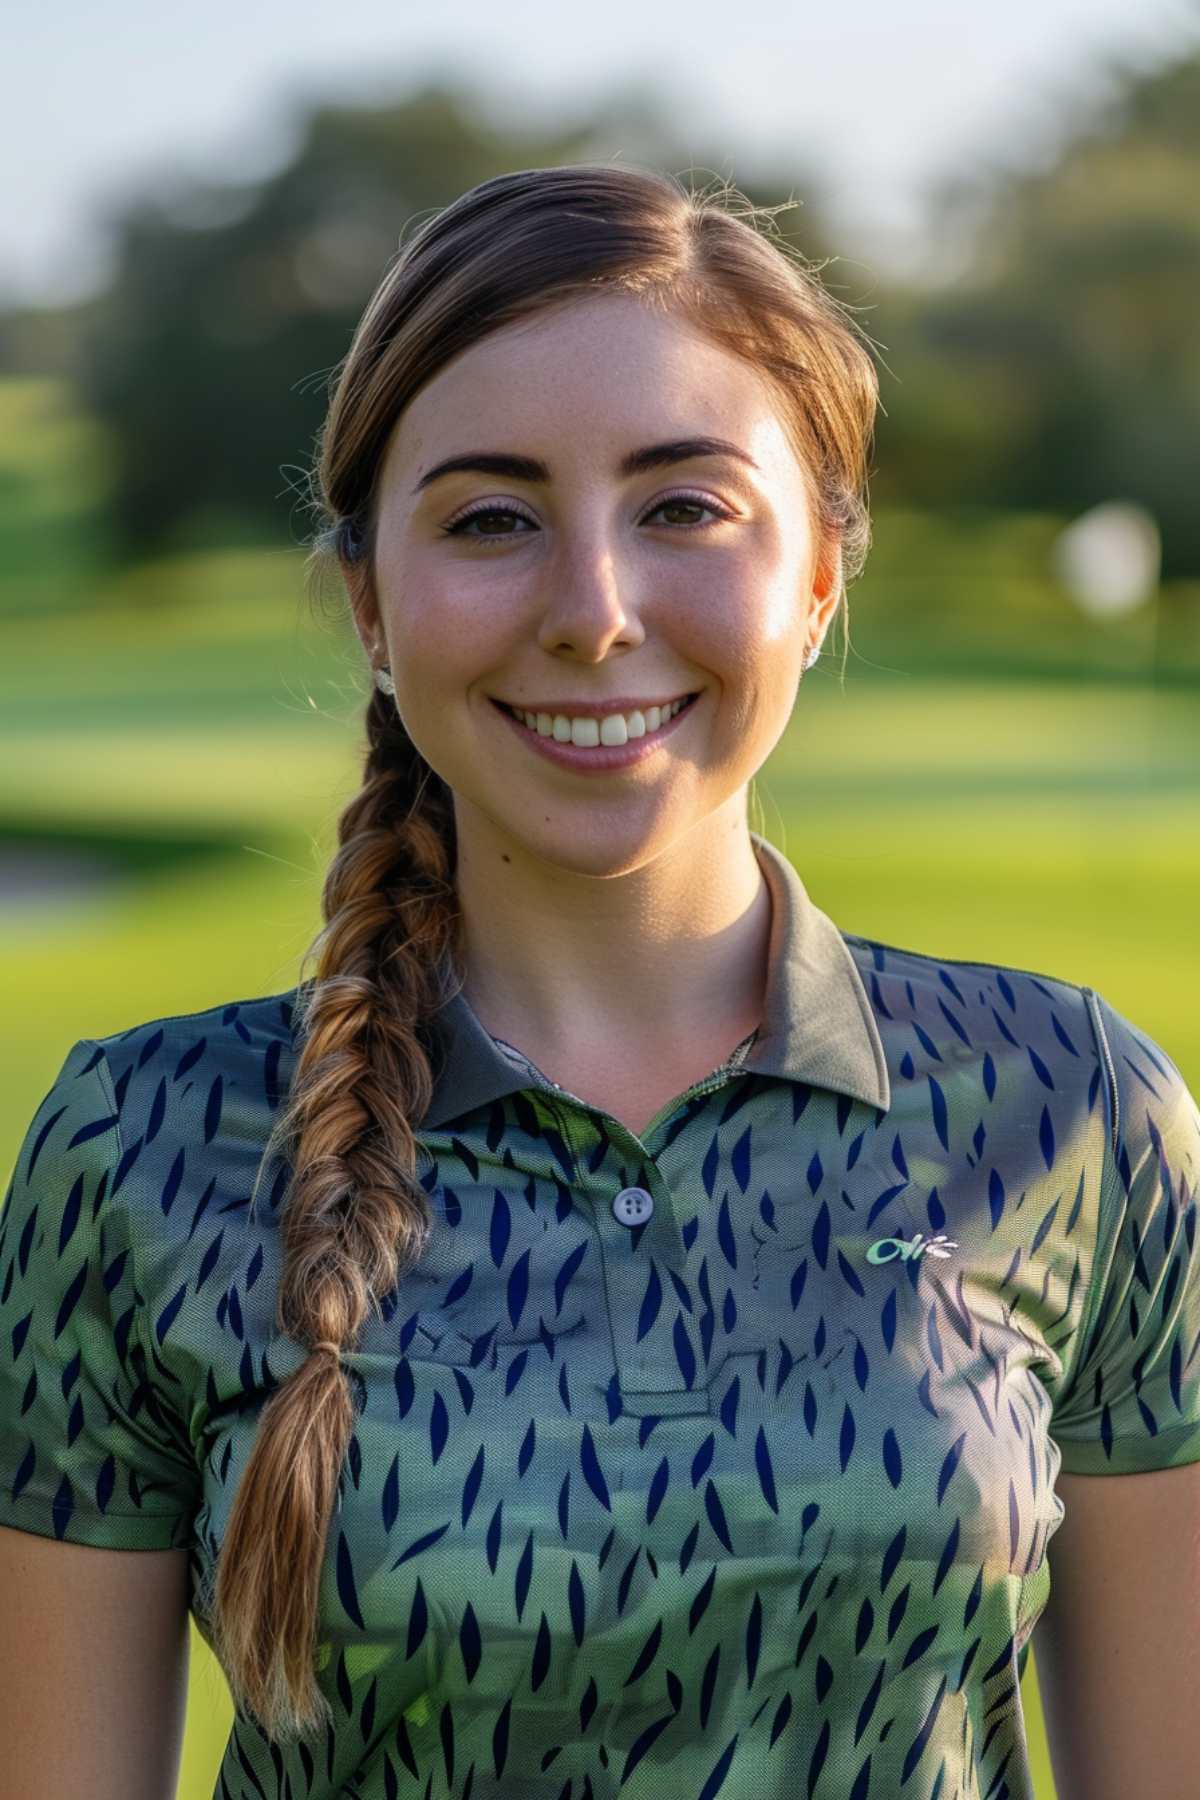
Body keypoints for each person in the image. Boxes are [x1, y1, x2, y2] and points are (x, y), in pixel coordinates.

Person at [2, 163, 1198, 1800]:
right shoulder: (138, 1145)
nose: (592, 613)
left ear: (825, 572)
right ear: (368, 598)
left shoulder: (1076, 1107)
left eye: (685, 507)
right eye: (492, 517)